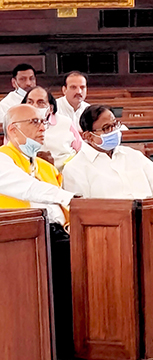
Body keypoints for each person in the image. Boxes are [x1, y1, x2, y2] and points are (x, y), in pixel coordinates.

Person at [0, 103, 76, 358]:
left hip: (58, 236)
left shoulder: (46, 167)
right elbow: (27, 188)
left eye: (43, 122)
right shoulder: (2, 159)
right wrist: (69, 197)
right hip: (20, 240)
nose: (43, 127)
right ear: (13, 129)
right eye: (35, 122)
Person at [63, 105, 153, 198]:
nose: (113, 131)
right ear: (88, 136)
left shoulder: (132, 155)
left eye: (115, 124)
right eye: (106, 128)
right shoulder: (75, 169)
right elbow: (83, 212)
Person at [23, 86, 82, 171]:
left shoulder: (66, 123)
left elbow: (80, 150)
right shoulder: (16, 125)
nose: (34, 106)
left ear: (50, 108)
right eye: (30, 102)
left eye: (41, 102)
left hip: (65, 172)